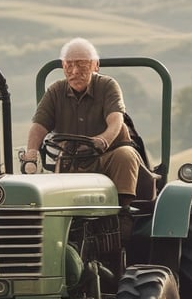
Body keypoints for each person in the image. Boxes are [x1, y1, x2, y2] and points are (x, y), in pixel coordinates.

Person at [23, 38, 143, 211]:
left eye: (82, 64)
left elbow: (116, 119)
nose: (75, 71)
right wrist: (32, 154)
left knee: (125, 155)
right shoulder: (55, 91)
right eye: (68, 65)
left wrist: (103, 140)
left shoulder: (107, 86)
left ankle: (121, 213)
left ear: (96, 65)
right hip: (70, 159)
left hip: (105, 156)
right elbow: (38, 126)